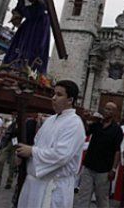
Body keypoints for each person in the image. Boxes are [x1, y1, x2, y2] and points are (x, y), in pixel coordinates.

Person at [16, 80, 86, 208]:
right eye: (54, 94)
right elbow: (37, 144)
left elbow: (61, 155)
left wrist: (32, 151)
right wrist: (25, 156)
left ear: (70, 100)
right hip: (34, 184)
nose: (53, 98)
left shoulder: (74, 124)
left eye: (59, 95)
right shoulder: (50, 120)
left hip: (53, 187)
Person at [3, 0, 51, 73]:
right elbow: (19, 8)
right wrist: (16, 15)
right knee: (18, 47)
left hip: (39, 22)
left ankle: (29, 71)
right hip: (28, 23)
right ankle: (13, 67)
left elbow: (44, 4)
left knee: (34, 47)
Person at [73, 102, 123, 208]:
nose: (107, 111)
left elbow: (117, 151)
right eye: (106, 108)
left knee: (102, 199)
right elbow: (86, 132)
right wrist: (85, 120)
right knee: (83, 196)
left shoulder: (116, 129)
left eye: (110, 109)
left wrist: (113, 169)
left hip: (104, 170)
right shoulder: (97, 124)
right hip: (89, 166)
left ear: (115, 113)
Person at [0, 114, 18, 189]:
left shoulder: (21, 122)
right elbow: (8, 133)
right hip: (9, 142)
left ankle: (9, 182)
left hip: (16, 144)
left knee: (13, 164)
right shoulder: (13, 122)